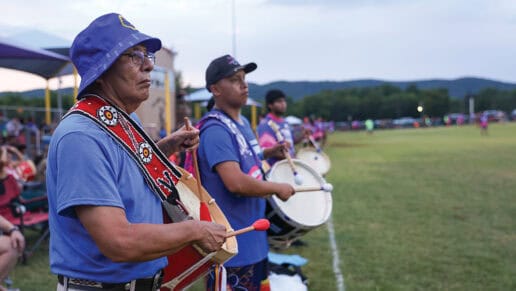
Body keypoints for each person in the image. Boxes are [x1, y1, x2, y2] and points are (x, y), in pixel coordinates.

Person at [46, 13, 227, 291]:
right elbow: (118, 241)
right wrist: (195, 229)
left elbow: (124, 170)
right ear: (102, 68)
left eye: (147, 55)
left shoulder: (123, 120)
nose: (148, 67)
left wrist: (168, 145)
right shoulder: (80, 136)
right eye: (133, 56)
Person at [189, 54, 295, 290]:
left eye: (244, 78)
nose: (244, 84)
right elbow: (235, 182)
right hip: (234, 250)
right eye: (235, 79)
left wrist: (270, 152)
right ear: (215, 88)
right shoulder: (215, 129)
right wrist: (278, 188)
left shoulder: (243, 123)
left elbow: (246, 158)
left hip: (255, 239)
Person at [0, 147, 25, 291]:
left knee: (12, 245)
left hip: (10, 215)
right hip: (11, 212)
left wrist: (13, 229)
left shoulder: (9, 175)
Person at [256, 89, 296, 167]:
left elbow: (291, 143)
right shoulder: (266, 124)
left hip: (289, 166)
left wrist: (302, 135)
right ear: (270, 105)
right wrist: (294, 159)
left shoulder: (285, 122)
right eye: (279, 101)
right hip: (276, 169)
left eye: (284, 101)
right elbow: (269, 151)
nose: (283, 104)